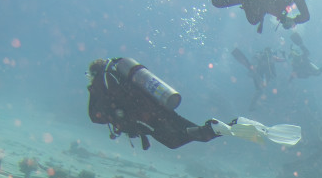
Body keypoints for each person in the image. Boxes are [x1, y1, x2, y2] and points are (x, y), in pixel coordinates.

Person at [87, 58, 302, 151]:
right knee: (193, 133)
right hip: (161, 109)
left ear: (94, 73)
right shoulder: (121, 76)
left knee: (175, 141)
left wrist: (92, 91)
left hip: (148, 117)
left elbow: (95, 117)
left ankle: (216, 127)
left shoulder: (102, 81)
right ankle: (232, 125)